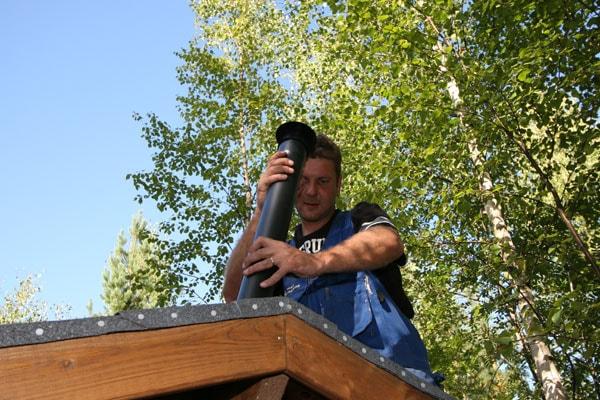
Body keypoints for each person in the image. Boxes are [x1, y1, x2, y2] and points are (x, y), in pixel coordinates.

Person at [223, 131, 434, 383]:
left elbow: (389, 242)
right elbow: (234, 297)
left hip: (395, 382)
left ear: (339, 184)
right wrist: (261, 210)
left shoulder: (359, 220)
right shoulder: (278, 253)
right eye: (303, 180)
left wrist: (314, 263)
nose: (311, 191)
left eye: (322, 181)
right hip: (316, 385)